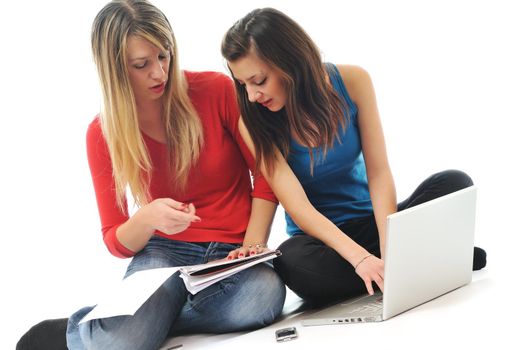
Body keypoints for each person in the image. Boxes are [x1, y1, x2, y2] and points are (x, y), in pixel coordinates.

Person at [17, 1, 286, 349]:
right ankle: (123, 327)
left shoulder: (216, 91)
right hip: (163, 253)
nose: (159, 73)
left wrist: (251, 245)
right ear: (115, 70)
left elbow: (267, 175)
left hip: (231, 252)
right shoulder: (103, 133)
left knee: (264, 297)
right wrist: (147, 218)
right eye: (141, 65)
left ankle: (137, 323)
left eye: (164, 56)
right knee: (120, 342)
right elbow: (116, 239)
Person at [221, 7, 486, 305]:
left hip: (370, 221)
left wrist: (391, 245)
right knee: (291, 261)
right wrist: (360, 259)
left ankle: (394, 266)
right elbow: (297, 206)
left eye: (259, 81)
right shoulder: (253, 120)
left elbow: (379, 173)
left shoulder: (353, 80)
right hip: (322, 243)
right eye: (243, 85)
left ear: (289, 61)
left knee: (454, 182)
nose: (253, 96)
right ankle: (422, 264)